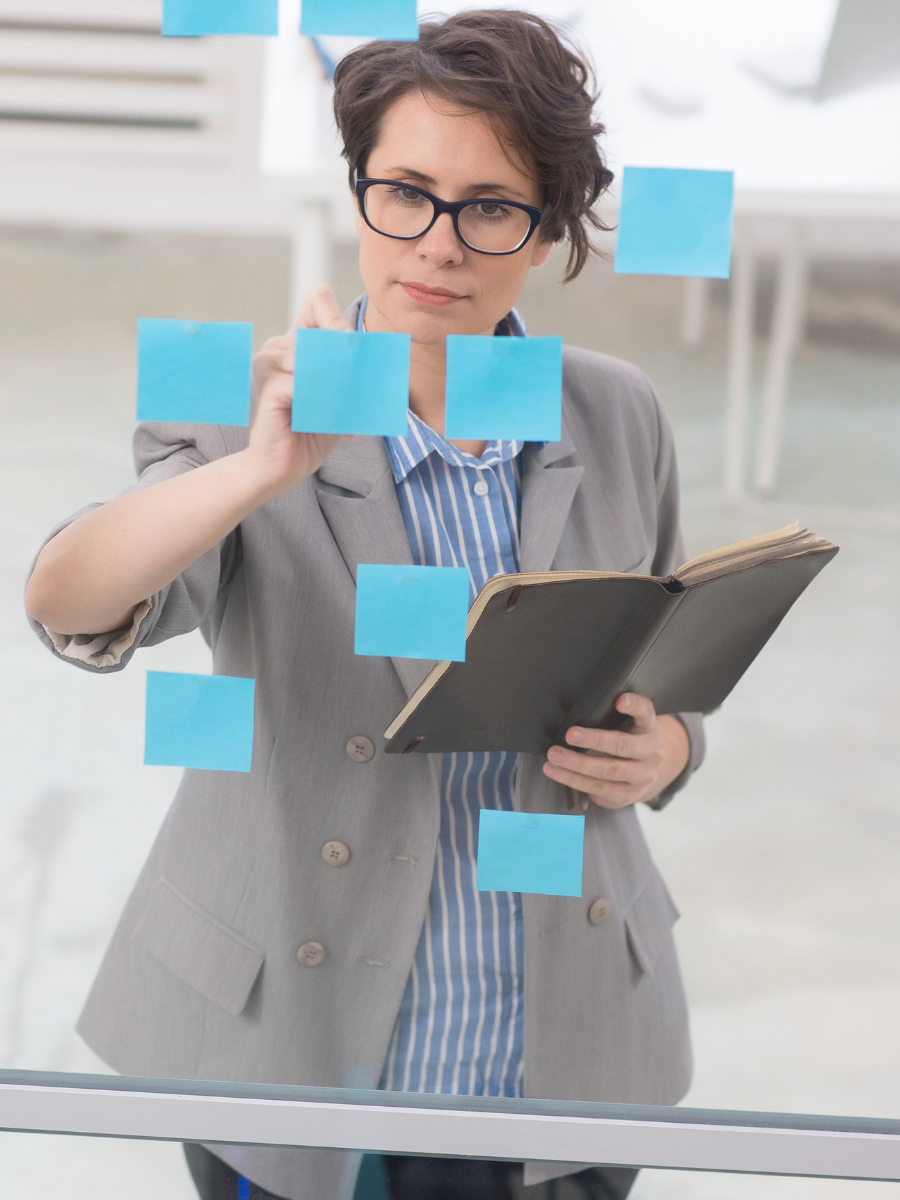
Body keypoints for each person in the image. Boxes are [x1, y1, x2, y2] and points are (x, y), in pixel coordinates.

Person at [24, 10, 704, 1200]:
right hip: (297, 1037)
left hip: (556, 1052)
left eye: (492, 205)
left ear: (547, 233)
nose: (439, 242)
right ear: (359, 193)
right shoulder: (248, 409)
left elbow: (671, 679)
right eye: (407, 191)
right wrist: (261, 472)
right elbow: (66, 603)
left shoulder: (618, 410)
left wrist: (669, 749)